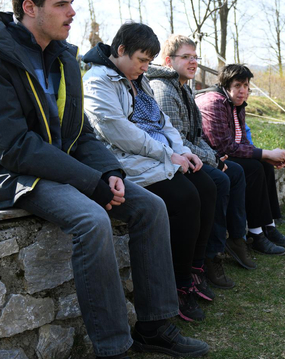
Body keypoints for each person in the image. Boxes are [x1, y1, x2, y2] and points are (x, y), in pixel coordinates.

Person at [0, 0, 208, 357]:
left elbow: (79, 132)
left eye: (71, 1)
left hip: (53, 168)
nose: (73, 11)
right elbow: (12, 147)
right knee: (91, 219)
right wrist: (90, 182)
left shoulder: (63, 59)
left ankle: (154, 325)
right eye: (61, 4)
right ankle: (113, 346)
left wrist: (109, 170)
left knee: (150, 207)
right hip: (0, 174)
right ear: (29, 8)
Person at [82, 23, 218, 323]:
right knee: (184, 198)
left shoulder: (137, 79)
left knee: (207, 186)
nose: (145, 68)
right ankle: (179, 284)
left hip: (159, 156)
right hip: (128, 161)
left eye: (148, 61)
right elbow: (120, 133)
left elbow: (161, 121)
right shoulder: (97, 81)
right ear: (121, 50)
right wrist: (168, 154)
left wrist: (182, 150)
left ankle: (195, 269)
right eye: (142, 60)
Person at [147, 34, 247, 286]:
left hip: (193, 154)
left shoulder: (185, 88)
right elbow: (175, 140)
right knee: (219, 181)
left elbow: (197, 135)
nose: (193, 62)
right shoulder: (163, 90)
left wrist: (213, 157)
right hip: (173, 159)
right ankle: (206, 258)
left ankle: (238, 238)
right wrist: (213, 160)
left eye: (195, 57)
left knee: (236, 172)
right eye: (186, 57)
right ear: (168, 60)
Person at [197, 64, 285, 257]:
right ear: (226, 85)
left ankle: (269, 226)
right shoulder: (215, 102)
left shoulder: (237, 104)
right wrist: (266, 153)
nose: (243, 90)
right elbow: (224, 147)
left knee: (264, 167)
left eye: (246, 85)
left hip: (228, 154)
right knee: (254, 168)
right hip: (213, 158)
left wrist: (267, 157)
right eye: (238, 85)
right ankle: (256, 234)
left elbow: (242, 141)